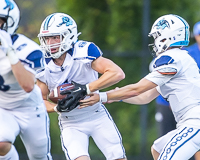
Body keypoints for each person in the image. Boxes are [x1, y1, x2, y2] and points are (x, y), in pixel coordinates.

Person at [79, 14, 200, 160]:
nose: (154, 41)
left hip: (195, 122)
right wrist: (115, 96)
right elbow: (144, 97)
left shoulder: (173, 59)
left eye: (156, 36)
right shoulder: (180, 58)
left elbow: (138, 88)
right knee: (157, 149)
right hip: (188, 122)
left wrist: (102, 96)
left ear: (166, 36)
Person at [36, 13, 127, 160]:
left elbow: (117, 73)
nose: (50, 42)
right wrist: (55, 108)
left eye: (55, 37)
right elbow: (40, 101)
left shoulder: (83, 51)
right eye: (47, 38)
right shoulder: (42, 63)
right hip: (70, 122)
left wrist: (86, 88)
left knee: (118, 157)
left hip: (97, 114)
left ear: (69, 35)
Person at [0, 0, 52, 160]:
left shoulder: (27, 48)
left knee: (39, 157)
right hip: (3, 107)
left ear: (9, 22)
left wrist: (9, 51)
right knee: (1, 144)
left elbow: (28, 86)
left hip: (29, 107)